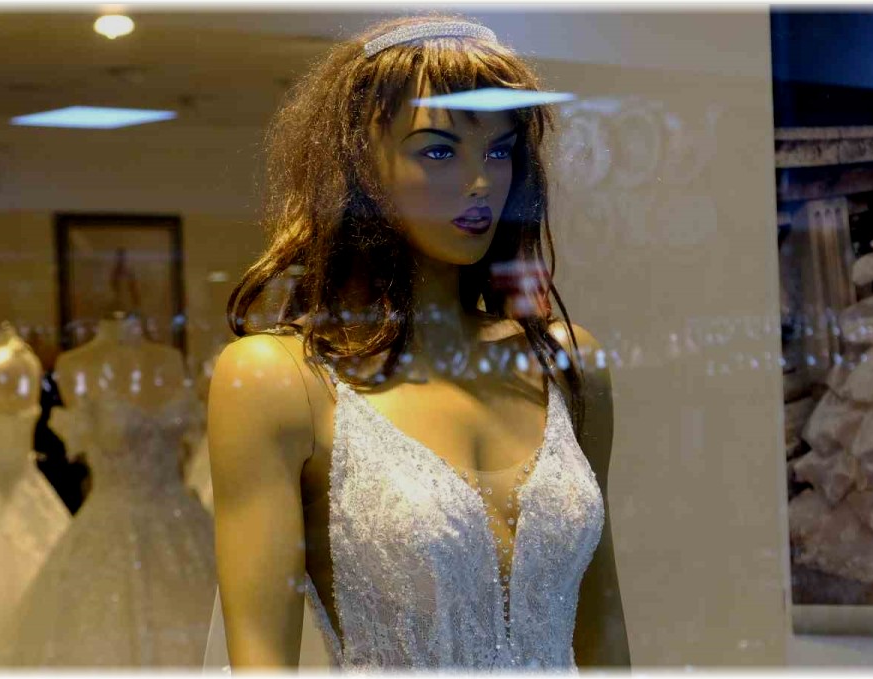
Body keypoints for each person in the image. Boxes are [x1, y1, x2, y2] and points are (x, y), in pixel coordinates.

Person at [207, 15, 629, 670]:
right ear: (357, 170)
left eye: (499, 151)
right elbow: (260, 656)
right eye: (439, 151)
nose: (481, 182)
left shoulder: (566, 362)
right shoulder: (279, 381)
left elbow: (602, 628)